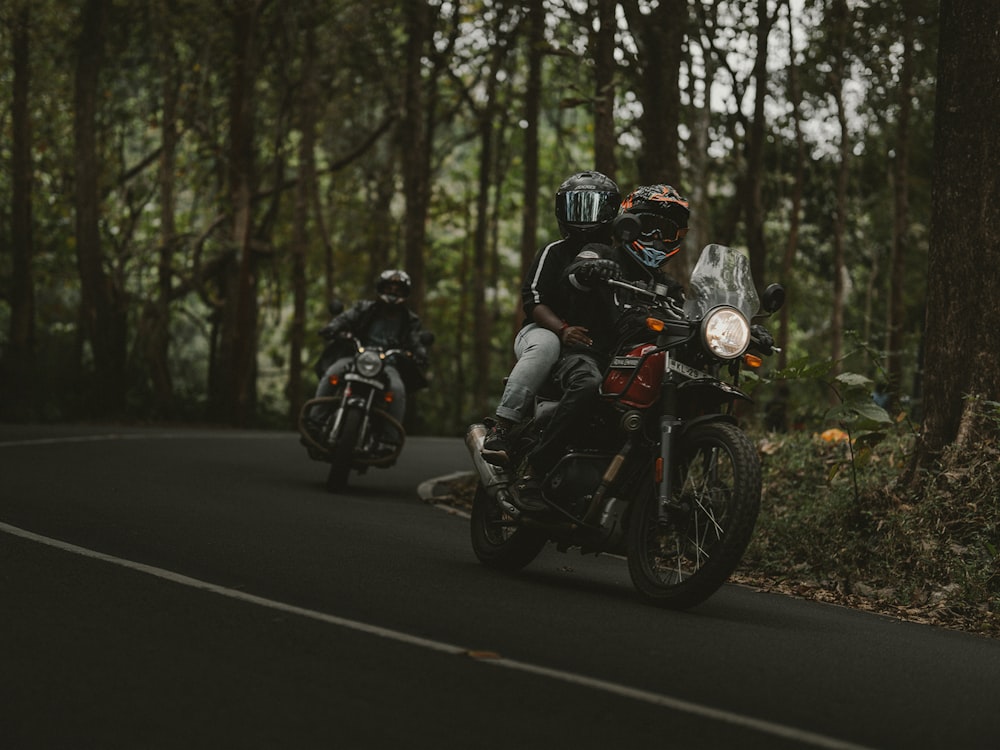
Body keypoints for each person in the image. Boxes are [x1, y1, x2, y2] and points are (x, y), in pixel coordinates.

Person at [514, 184, 691, 511]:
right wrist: (589, 269)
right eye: (646, 226)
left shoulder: (667, 286)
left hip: (637, 365)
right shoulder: (603, 252)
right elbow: (575, 271)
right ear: (628, 225)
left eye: (665, 231)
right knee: (588, 384)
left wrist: (741, 326)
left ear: (677, 237)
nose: (654, 237)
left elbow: (692, 314)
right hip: (588, 353)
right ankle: (535, 471)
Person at [482, 171, 622, 462]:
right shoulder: (554, 251)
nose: (584, 218)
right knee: (547, 346)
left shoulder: (618, 256)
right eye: (576, 207)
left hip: (592, 340)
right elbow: (532, 301)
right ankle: (503, 426)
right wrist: (562, 329)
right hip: (543, 330)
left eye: (593, 207)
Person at [311, 269, 428, 451]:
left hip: (387, 364)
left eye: (397, 289)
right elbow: (344, 318)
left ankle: (389, 441)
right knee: (332, 373)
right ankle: (315, 422)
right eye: (389, 287)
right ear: (381, 288)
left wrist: (419, 353)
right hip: (356, 356)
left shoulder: (410, 320)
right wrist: (333, 328)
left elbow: (416, 340)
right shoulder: (364, 308)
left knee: (397, 390)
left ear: (404, 293)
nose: (393, 292)